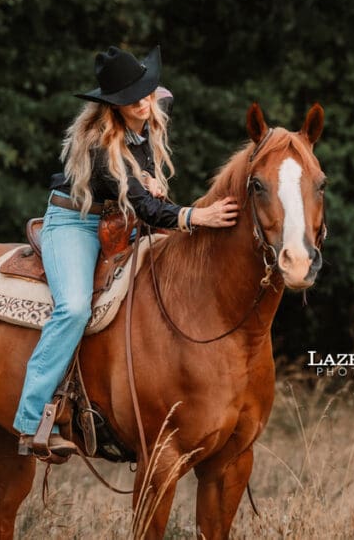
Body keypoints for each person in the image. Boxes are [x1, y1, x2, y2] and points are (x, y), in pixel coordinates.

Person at [14, 45, 240, 457]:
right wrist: (196, 216)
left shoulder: (149, 116)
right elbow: (147, 207)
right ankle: (31, 421)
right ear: (113, 106)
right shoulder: (102, 144)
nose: (143, 100)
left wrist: (150, 176)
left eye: (147, 90)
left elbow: (147, 193)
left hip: (122, 222)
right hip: (76, 222)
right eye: (131, 96)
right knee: (74, 308)